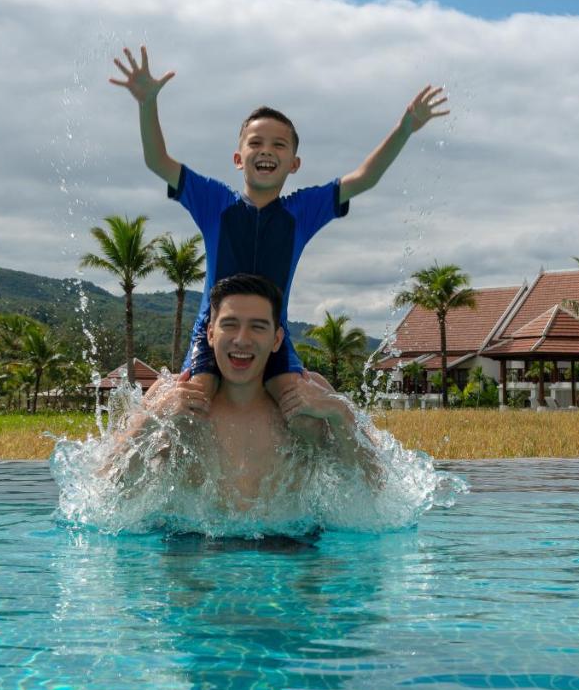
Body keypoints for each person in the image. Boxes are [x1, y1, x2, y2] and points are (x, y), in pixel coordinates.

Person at [109, 45, 448, 430]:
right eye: (255, 143)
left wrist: (405, 127)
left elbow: (364, 178)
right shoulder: (214, 202)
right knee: (194, 401)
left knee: (300, 412)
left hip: (273, 335)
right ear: (238, 158)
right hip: (214, 331)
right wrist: (147, 103)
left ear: (294, 163)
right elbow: (158, 162)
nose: (266, 151)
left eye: (278, 145)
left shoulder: (301, 211)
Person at [103, 274, 381, 505]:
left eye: (257, 327)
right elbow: (104, 488)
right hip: (192, 549)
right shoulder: (170, 394)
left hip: (289, 549)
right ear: (211, 334)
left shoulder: (312, 394)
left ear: (277, 339)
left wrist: (338, 411)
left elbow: (376, 488)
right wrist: (154, 417)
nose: (242, 339)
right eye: (230, 325)